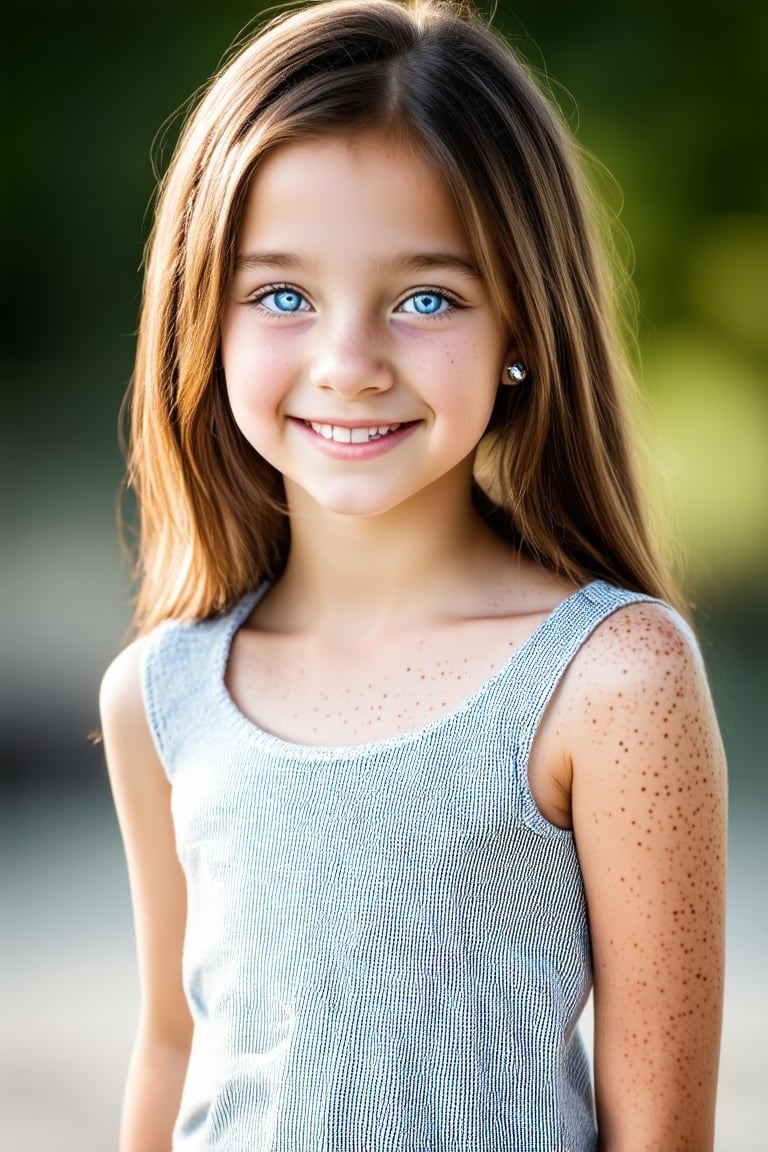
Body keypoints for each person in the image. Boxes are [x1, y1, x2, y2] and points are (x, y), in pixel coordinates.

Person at [100, 1, 727, 1148]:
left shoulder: (613, 681)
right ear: (205, 320)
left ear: (523, 326)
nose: (347, 365)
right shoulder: (159, 693)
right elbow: (175, 1045)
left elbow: (664, 1135)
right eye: (281, 294)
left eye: (426, 297)